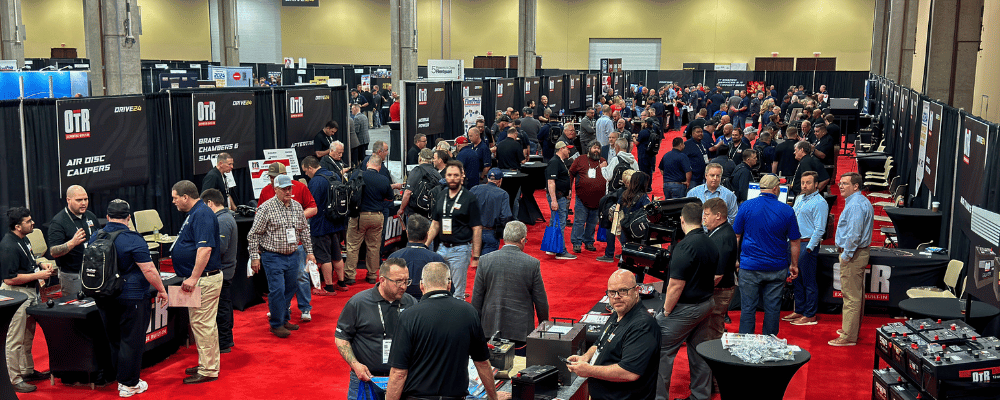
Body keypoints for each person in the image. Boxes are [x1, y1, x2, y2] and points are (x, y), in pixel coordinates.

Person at [386, 262, 499, 400]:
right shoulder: (469, 312)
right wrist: (494, 398)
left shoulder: (408, 316)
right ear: (449, 285)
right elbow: (482, 363)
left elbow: (399, 373)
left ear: (422, 285)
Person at [91, 200, 168, 398]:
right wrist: (161, 290)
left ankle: (121, 379)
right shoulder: (132, 238)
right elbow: (149, 269)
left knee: (115, 339)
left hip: (103, 296)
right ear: (128, 218)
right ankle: (129, 384)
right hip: (131, 297)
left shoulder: (96, 236)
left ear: (107, 217)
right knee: (131, 341)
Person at [655, 203, 718, 400]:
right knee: (699, 352)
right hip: (706, 304)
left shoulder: (684, 247)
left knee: (660, 351)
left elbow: (675, 286)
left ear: (682, 220)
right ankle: (701, 395)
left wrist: (665, 311)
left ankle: (658, 398)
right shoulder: (711, 242)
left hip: (686, 308)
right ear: (701, 219)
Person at [567, 270, 660, 400]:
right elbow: (600, 343)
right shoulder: (619, 313)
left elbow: (629, 373)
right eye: (612, 292)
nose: (616, 296)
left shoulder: (643, 326)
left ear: (636, 290)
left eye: (623, 291)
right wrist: (585, 357)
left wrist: (589, 370)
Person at [336, 259, 418, 400]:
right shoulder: (358, 303)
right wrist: (355, 365)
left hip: (402, 380)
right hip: (366, 379)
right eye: (398, 281)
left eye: (406, 281)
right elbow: (342, 337)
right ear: (382, 280)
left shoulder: (411, 303)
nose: (403, 286)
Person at [248, 175, 317, 338]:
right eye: (284, 188)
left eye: (290, 188)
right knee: (277, 289)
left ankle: (284, 318)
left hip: (293, 254)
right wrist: (255, 256)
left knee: (290, 288)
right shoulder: (266, 208)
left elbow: (304, 231)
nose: (288, 191)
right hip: (272, 256)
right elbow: (253, 235)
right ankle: (276, 324)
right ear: (275, 189)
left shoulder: (297, 207)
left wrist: (310, 252)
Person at [732, 175, 801, 336]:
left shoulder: (746, 206)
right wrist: (794, 264)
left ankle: (745, 344)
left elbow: (735, 236)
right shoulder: (787, 210)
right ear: (776, 188)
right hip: (776, 268)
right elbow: (795, 242)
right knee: (772, 309)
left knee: (747, 308)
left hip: (749, 267)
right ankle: (770, 343)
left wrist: (735, 259)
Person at [170, 180, 223, 384]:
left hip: (203, 279)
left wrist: (193, 277)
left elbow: (205, 249)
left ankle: (209, 369)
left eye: (175, 198)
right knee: (200, 324)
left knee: (203, 324)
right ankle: (205, 363)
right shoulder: (197, 212)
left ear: (185, 197)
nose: (173, 202)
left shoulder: (201, 214)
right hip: (200, 279)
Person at [1, 207, 54, 393]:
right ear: (17, 226)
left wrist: (40, 263)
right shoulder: (8, 245)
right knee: (15, 339)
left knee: (28, 335)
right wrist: (38, 274)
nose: (33, 223)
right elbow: (9, 278)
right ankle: (14, 379)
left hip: (30, 293)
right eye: (28, 221)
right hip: (16, 294)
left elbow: (31, 259)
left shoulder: (24, 239)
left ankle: (27, 371)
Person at [257, 162, 320, 320]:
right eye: (271, 178)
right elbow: (259, 214)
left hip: (295, 245)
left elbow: (313, 208)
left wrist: (294, 219)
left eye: (273, 177)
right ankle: (281, 311)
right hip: (275, 248)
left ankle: (305, 308)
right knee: (278, 285)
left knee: (300, 277)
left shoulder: (299, 187)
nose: (271, 180)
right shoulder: (266, 191)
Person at [472, 221, 549, 344]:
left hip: (489, 328)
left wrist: (475, 328)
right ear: (523, 240)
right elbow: (540, 300)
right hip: (520, 331)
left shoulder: (485, 260)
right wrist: (544, 325)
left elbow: (477, 297)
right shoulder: (532, 263)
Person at [425, 160, 483, 300]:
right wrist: (425, 245)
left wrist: (475, 256)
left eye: (456, 175)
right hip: (441, 249)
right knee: (438, 288)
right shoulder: (441, 195)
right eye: (449, 175)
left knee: (457, 292)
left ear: (462, 176)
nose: (452, 178)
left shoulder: (470, 198)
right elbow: (435, 224)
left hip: (460, 249)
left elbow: (477, 228)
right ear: (445, 176)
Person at [830, 172, 874, 347]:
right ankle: (851, 329)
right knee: (856, 295)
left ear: (856, 186)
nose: (841, 186)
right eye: (840, 183)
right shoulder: (859, 201)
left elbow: (854, 235)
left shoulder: (855, 205)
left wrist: (846, 255)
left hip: (853, 254)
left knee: (851, 297)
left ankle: (848, 336)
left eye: (845, 184)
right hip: (858, 253)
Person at [784, 172, 828, 327]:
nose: (804, 185)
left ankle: (810, 314)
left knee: (808, 280)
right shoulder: (799, 198)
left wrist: (809, 248)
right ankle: (800, 309)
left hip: (807, 243)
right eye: (803, 182)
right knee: (796, 279)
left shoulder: (820, 202)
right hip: (794, 242)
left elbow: (820, 229)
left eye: (808, 182)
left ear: (816, 184)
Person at [302, 156, 350, 294]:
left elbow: (312, 204)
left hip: (321, 224)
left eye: (306, 171)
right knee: (337, 254)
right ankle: (341, 282)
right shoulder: (333, 174)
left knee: (324, 257)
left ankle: (328, 287)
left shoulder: (316, 181)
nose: (306, 174)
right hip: (337, 221)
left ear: (310, 168)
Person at [345, 155, 395, 285]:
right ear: (379, 166)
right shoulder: (383, 179)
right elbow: (389, 197)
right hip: (377, 216)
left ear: (367, 164)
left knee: (353, 246)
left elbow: (348, 191)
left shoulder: (357, 175)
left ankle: (350, 275)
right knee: (374, 247)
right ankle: (372, 275)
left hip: (359, 216)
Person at [201, 189, 238, 354]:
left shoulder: (222, 221)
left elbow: (220, 249)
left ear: (210, 203)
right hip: (226, 270)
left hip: (223, 271)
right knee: (225, 306)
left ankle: (223, 342)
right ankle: (226, 340)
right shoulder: (225, 217)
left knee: (221, 308)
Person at [46, 184, 100, 297]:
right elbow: (53, 252)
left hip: (93, 271)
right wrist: (72, 243)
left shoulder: (90, 216)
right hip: (72, 275)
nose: (84, 203)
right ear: (68, 200)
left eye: (86, 199)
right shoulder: (58, 222)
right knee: (76, 310)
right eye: (79, 200)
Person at [703, 198, 738, 338]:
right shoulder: (720, 231)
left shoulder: (722, 237)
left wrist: (700, 288)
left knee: (714, 327)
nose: (703, 218)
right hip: (719, 289)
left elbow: (717, 275)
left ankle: (714, 356)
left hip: (719, 290)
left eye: (706, 214)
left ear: (717, 215)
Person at [387, 215, 445, 299]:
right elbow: (447, 289)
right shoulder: (436, 259)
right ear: (427, 235)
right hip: (428, 306)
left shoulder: (393, 257)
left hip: (399, 306)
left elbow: (386, 288)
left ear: (407, 233)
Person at [568, 141, 607, 253]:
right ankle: (576, 243)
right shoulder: (580, 159)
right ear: (589, 148)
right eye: (595, 148)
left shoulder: (603, 161)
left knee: (592, 222)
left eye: (599, 149)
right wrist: (569, 188)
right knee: (579, 221)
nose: (597, 150)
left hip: (598, 199)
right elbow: (571, 173)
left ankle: (589, 242)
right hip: (582, 197)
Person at [545, 141, 577, 260]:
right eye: (567, 149)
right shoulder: (555, 162)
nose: (569, 151)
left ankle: (552, 248)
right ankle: (560, 251)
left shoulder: (560, 162)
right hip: (558, 197)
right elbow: (551, 182)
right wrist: (554, 200)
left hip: (560, 196)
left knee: (555, 221)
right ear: (561, 149)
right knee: (559, 223)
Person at [470, 168, 512, 255]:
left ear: (488, 178)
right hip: (491, 232)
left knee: (477, 260)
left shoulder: (475, 189)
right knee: (487, 263)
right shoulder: (503, 194)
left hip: (474, 232)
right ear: (500, 181)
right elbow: (506, 216)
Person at [398, 148, 442, 219]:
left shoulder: (417, 171)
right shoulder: (437, 174)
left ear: (420, 159)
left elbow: (408, 192)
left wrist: (401, 209)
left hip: (415, 214)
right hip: (430, 213)